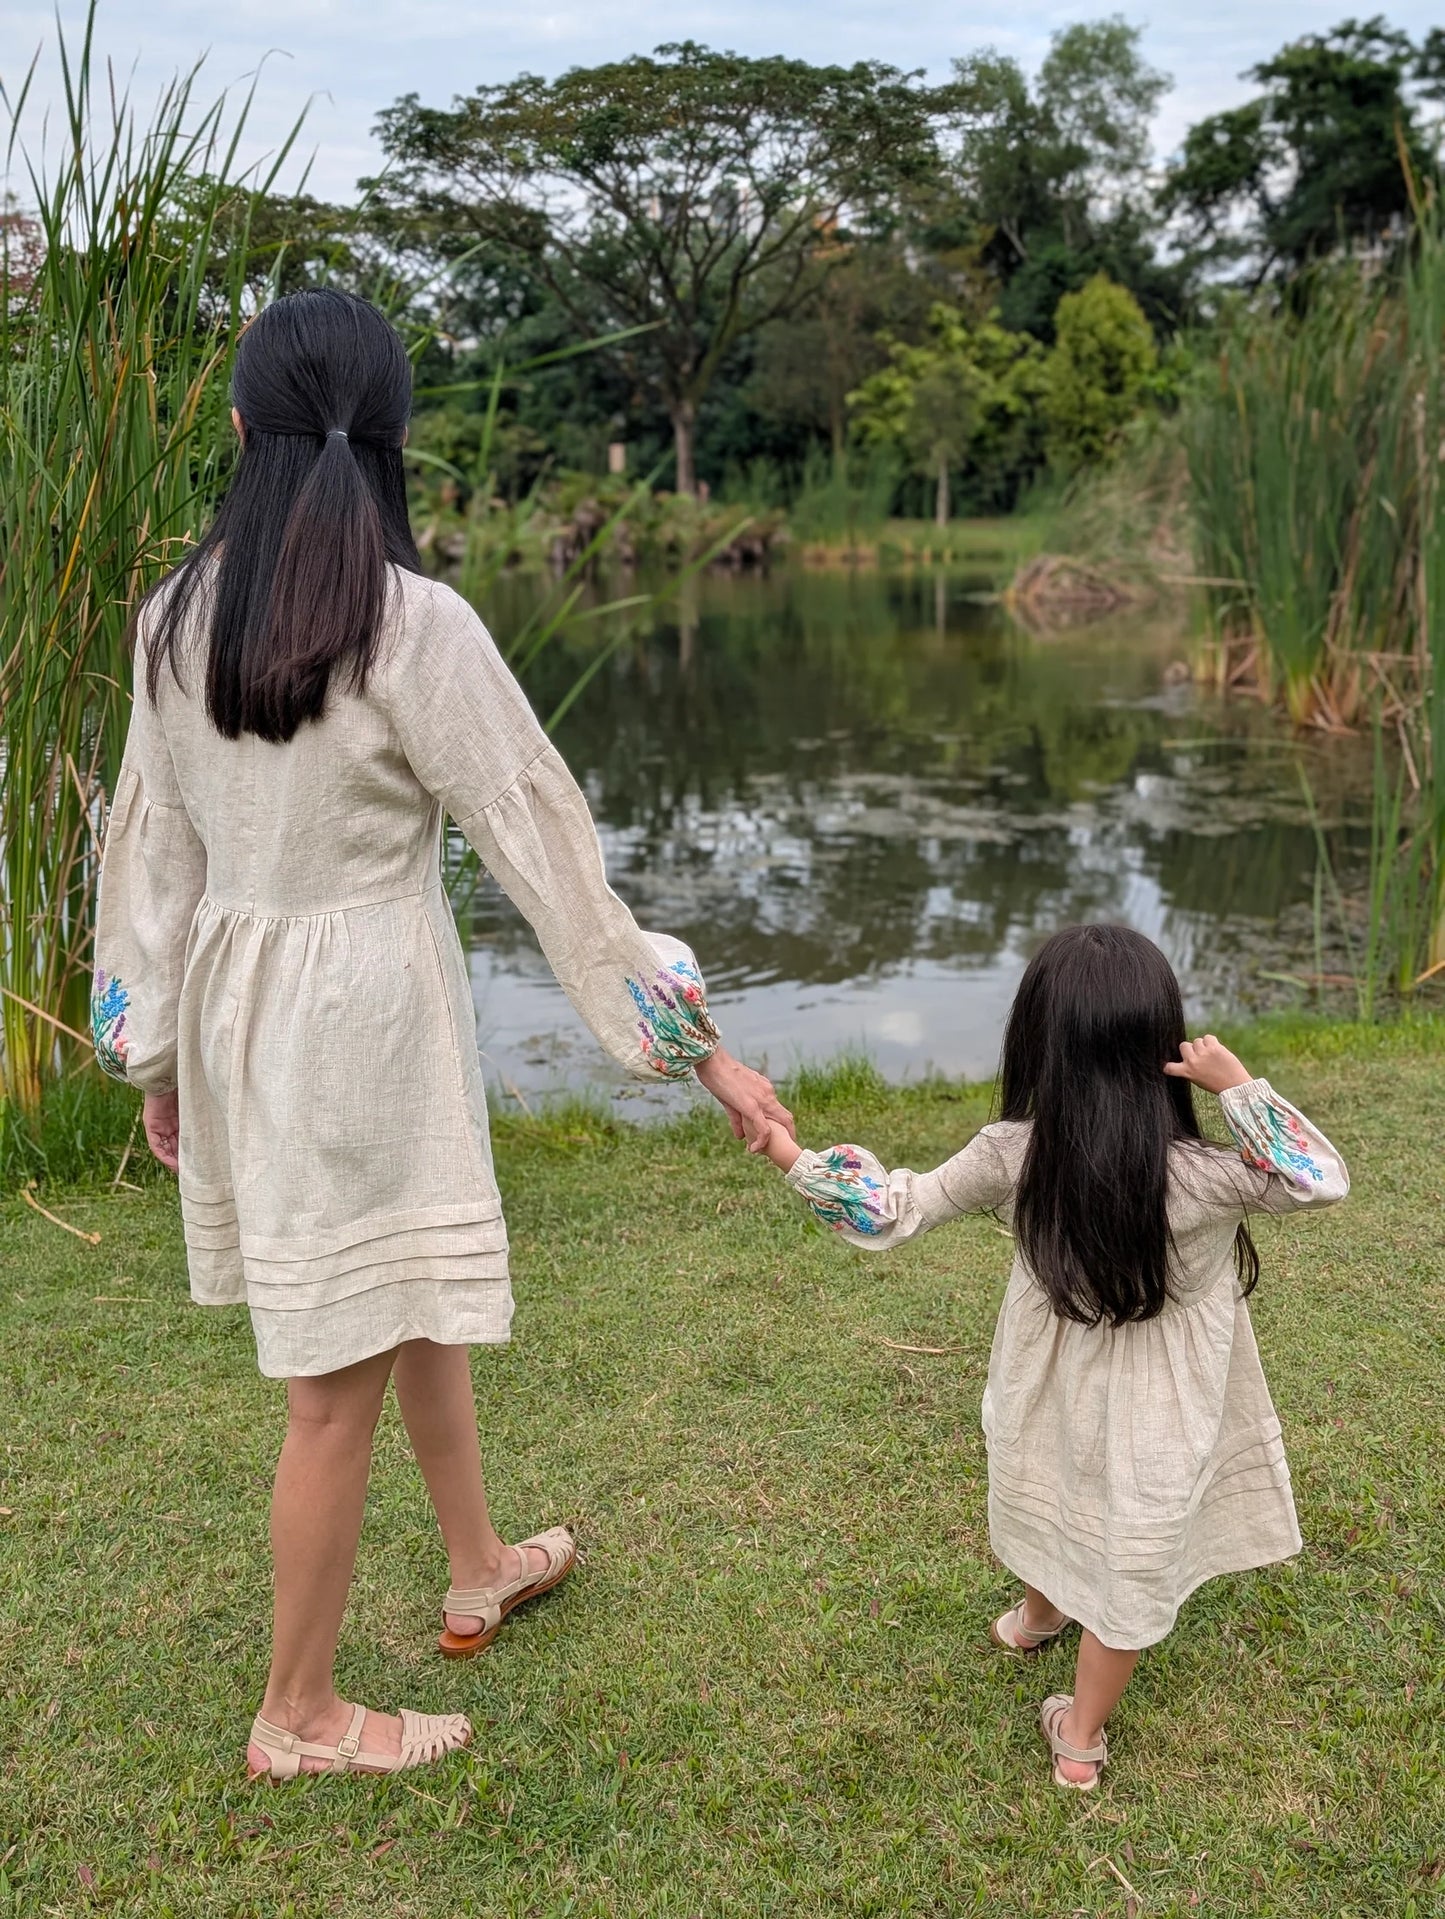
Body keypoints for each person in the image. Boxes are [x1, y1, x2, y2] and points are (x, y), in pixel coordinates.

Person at [91, 288, 793, 1782]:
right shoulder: (416, 624)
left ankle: (478, 1562)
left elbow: (149, 861)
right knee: (333, 1381)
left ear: (238, 429)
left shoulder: (170, 618)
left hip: (243, 1007)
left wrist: (161, 1057)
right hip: (366, 1015)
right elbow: (547, 844)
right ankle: (300, 1709)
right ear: (400, 442)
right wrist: (703, 1048)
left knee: (407, 1293)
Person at [757, 924, 1348, 1790]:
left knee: (1055, 1488)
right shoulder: (1208, 1172)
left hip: (1047, 1382)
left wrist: (786, 1150)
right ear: (1162, 1045)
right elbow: (1316, 1177)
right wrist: (1241, 1087)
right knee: (1132, 1546)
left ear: (1037, 1041)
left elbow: (893, 1207)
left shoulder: (1011, 1152)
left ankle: (1041, 1628)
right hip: (1165, 1403)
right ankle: (1078, 1735)